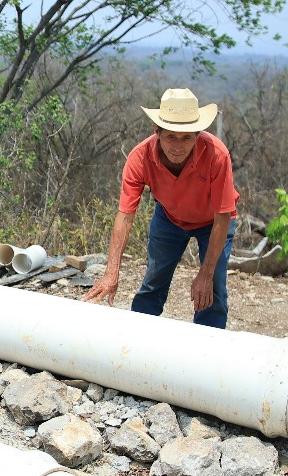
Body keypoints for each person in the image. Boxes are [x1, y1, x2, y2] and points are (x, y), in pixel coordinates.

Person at [82, 88, 239, 329]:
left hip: (213, 222)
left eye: (186, 138)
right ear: (157, 131)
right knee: (153, 281)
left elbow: (223, 215)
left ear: (198, 135)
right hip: (169, 218)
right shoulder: (140, 157)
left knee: (213, 288)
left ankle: (208, 343)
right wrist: (111, 272)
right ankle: (138, 336)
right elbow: (125, 216)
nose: (178, 146)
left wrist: (205, 274)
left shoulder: (216, 155)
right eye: (171, 137)